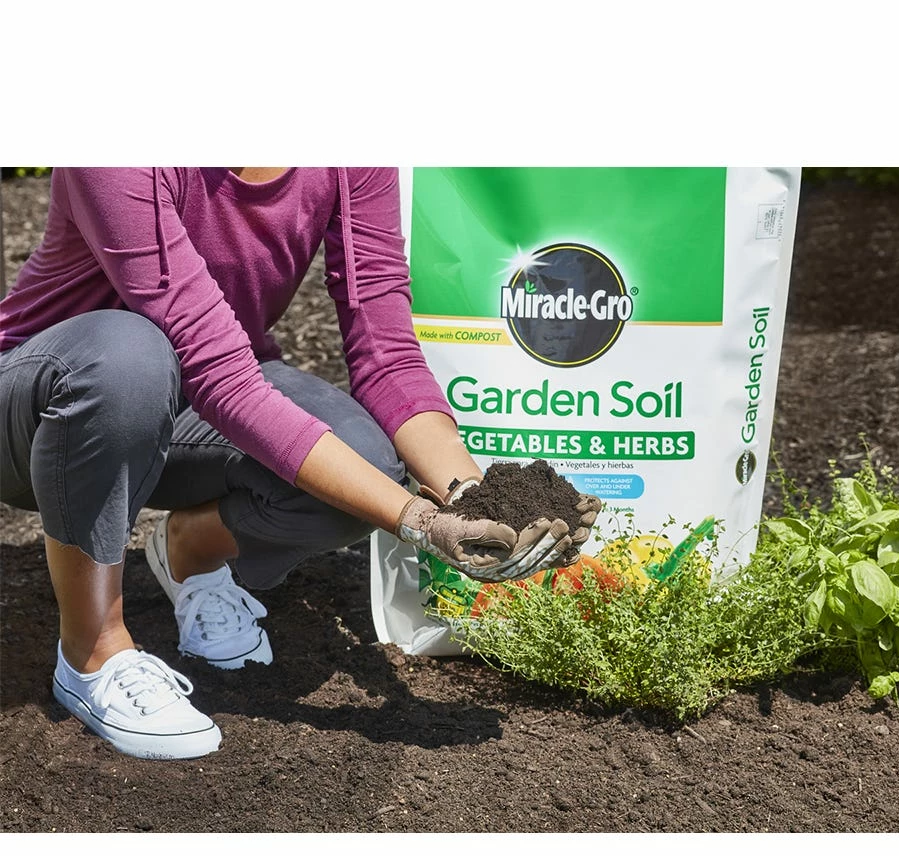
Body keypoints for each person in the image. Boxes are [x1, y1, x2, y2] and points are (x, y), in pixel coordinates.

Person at [0, 167, 600, 761]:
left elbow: (385, 353)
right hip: (49, 413)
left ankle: (191, 551)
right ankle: (92, 652)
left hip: (196, 397)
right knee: (130, 356)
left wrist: (471, 497)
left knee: (364, 469)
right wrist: (419, 521)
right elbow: (221, 377)